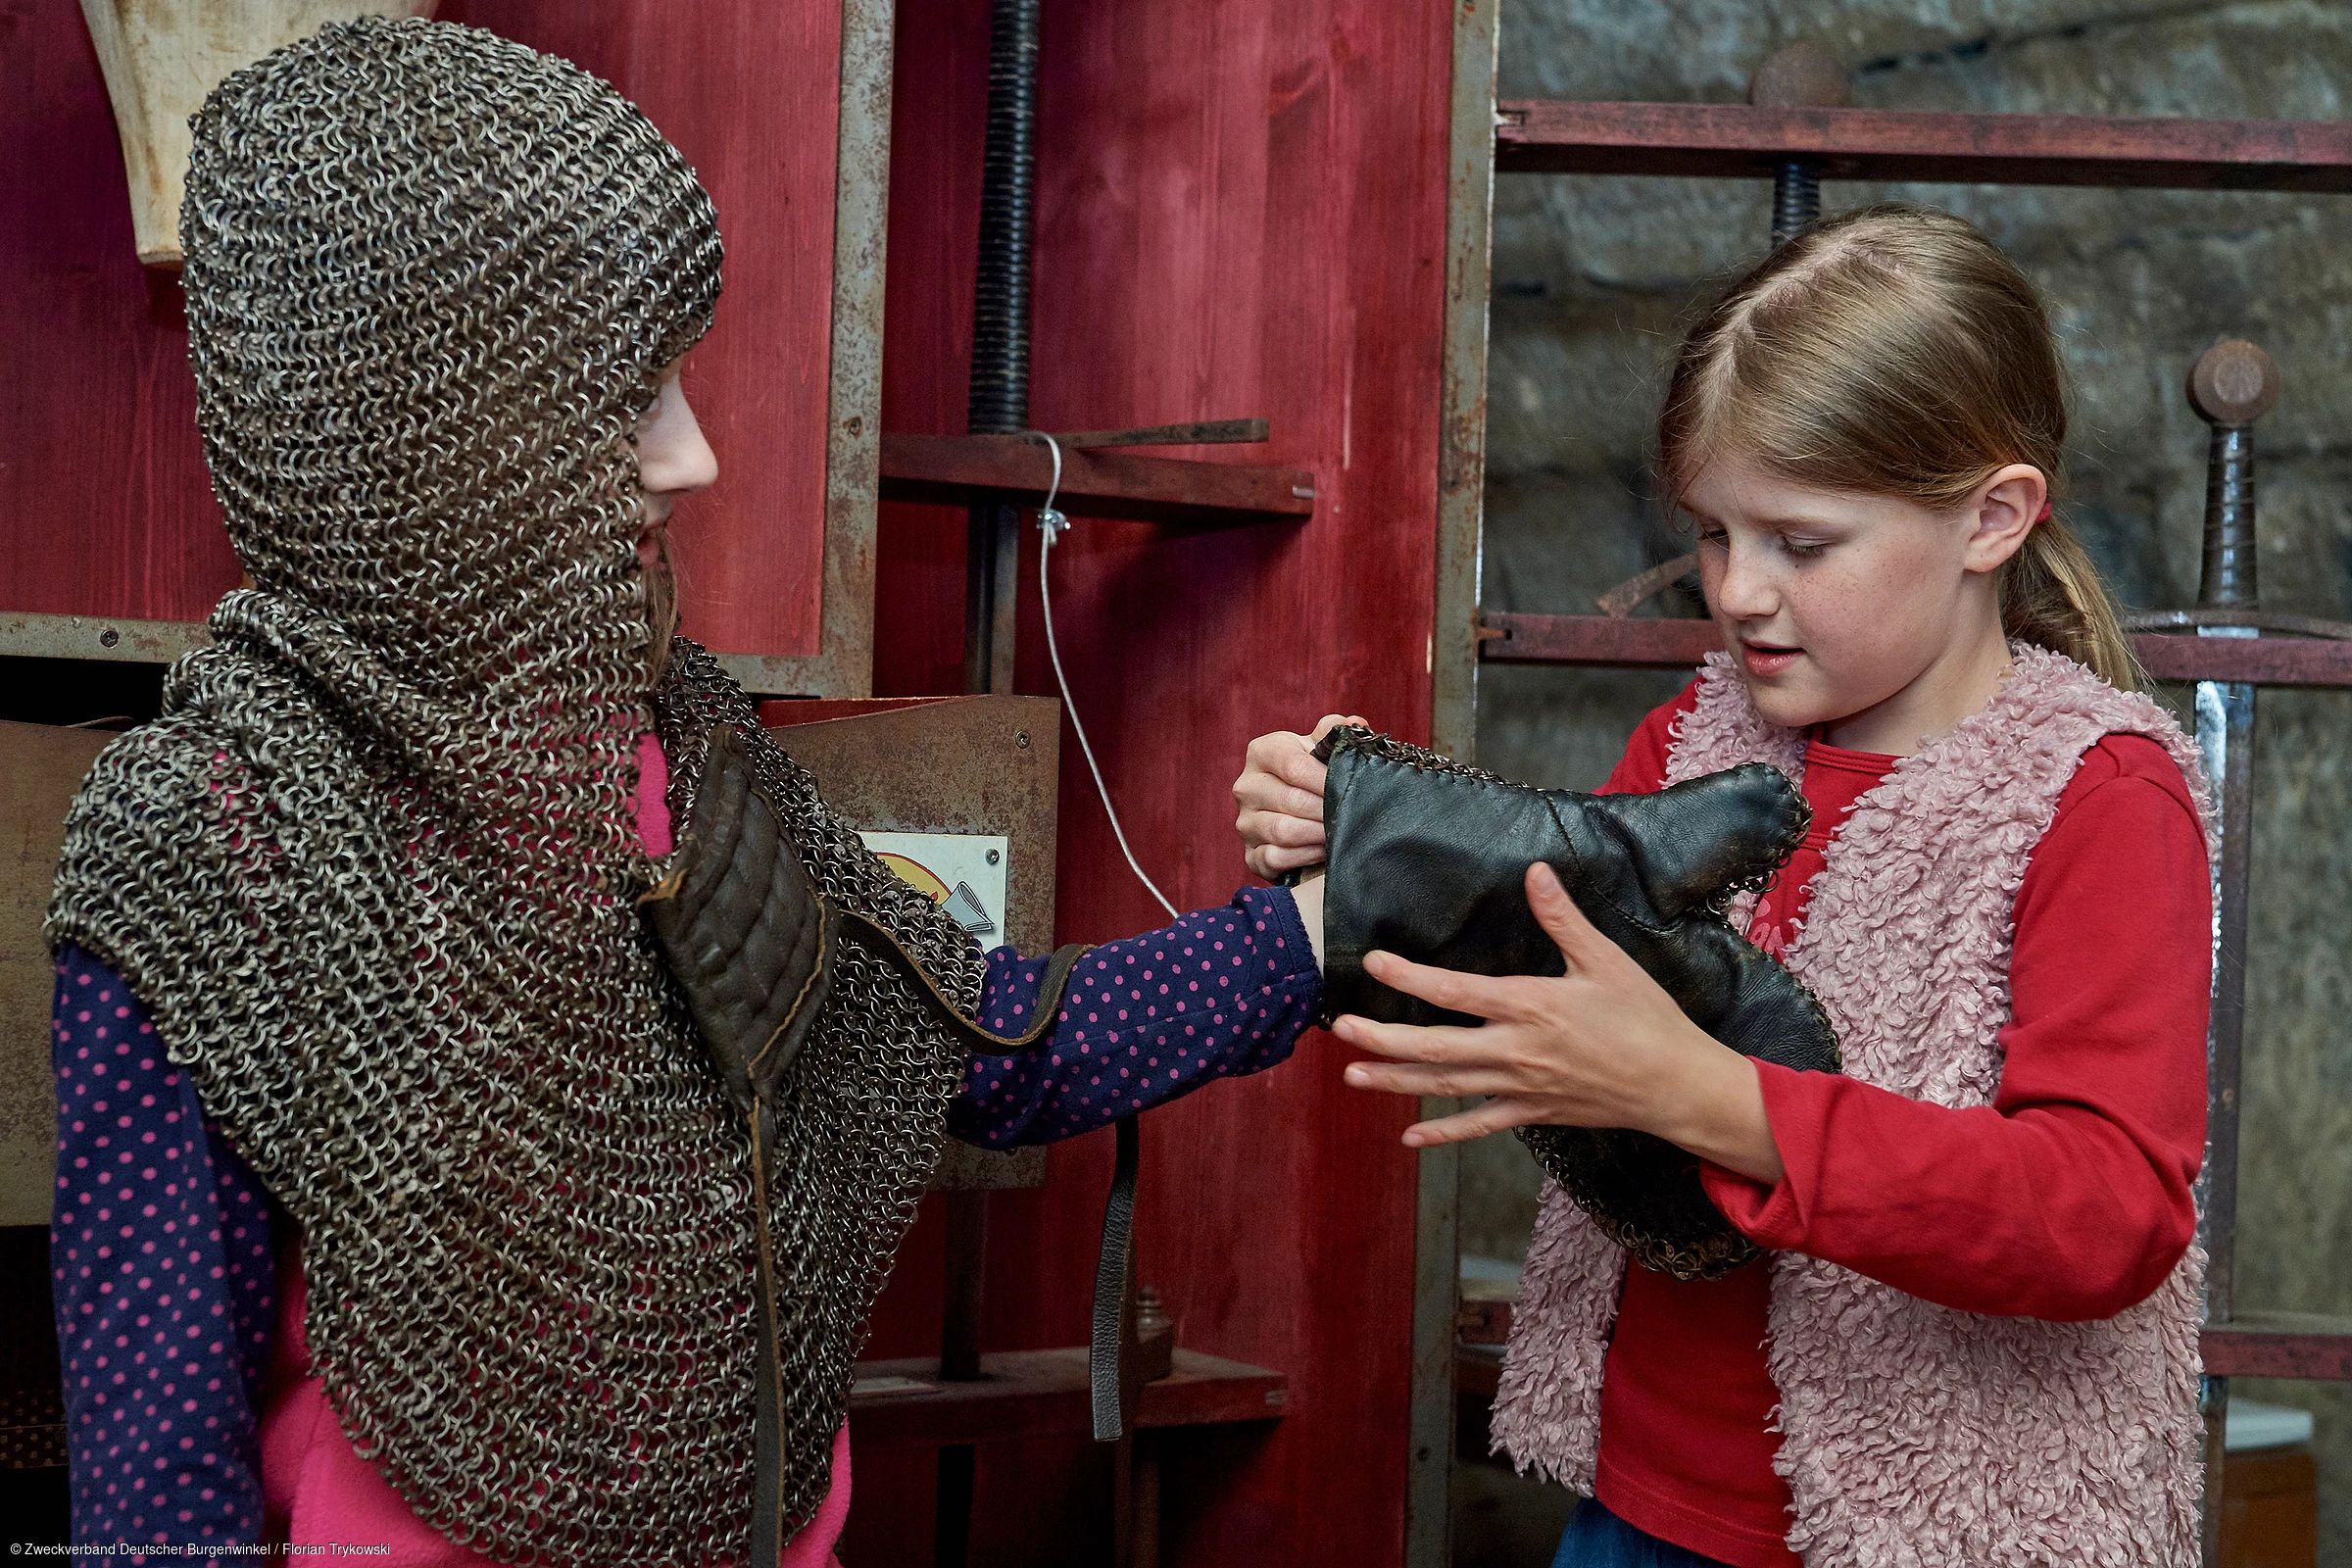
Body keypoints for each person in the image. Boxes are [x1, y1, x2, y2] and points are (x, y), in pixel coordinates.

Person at [47, 19, 1325, 1565]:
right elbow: (158, 1490)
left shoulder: (673, 738)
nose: (695, 457)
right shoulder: (211, 844)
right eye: (629, 394)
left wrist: (1307, 939)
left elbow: (979, 1044)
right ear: (437, 429)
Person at [1234, 204, 2211, 1568]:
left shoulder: (2094, 797)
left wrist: (1705, 1098)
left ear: (1992, 518)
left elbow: (2108, 1209)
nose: (1740, 591)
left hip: (1948, 1532)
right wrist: (1362, 837)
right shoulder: (1690, 743)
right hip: (1644, 1500)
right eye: (1712, 533)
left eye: (1801, 544)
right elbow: (1537, 972)